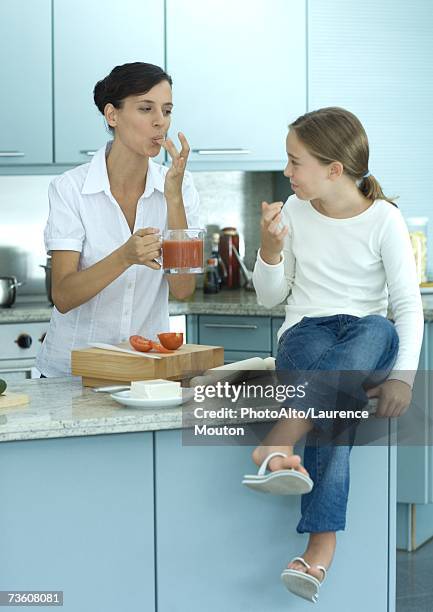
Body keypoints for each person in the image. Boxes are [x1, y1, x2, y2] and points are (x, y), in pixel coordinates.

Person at [246, 107, 424, 604]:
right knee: (337, 398)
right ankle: (319, 548)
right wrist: (270, 248)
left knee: (374, 328)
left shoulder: (384, 219)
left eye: (294, 162)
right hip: (307, 331)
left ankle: (281, 441)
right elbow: (269, 297)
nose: (286, 172)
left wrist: (403, 378)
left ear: (334, 170)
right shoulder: (294, 211)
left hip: (366, 337)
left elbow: (408, 307)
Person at [36, 62, 200, 377]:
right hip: (70, 372)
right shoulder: (70, 189)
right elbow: (63, 296)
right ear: (113, 115)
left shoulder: (180, 186)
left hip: (144, 370)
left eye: (166, 110)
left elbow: (183, 288)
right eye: (145, 109)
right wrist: (125, 256)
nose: (159, 122)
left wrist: (174, 199)